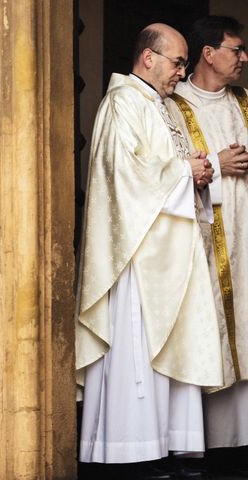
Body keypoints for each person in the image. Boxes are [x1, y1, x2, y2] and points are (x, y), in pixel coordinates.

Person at [76, 23, 223, 479]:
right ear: (148, 58)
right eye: (177, 61)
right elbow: (125, 176)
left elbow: (169, 168)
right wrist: (187, 171)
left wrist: (197, 172)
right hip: (137, 258)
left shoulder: (160, 106)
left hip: (170, 253)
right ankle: (129, 449)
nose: (182, 71)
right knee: (137, 348)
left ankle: (167, 443)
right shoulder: (122, 103)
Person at [165, 15, 248, 476]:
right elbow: (162, 170)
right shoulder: (173, 105)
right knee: (210, 326)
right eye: (236, 49)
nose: (244, 58)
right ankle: (202, 440)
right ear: (209, 53)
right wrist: (215, 166)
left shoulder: (245, 102)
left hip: (246, 234)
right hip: (200, 236)